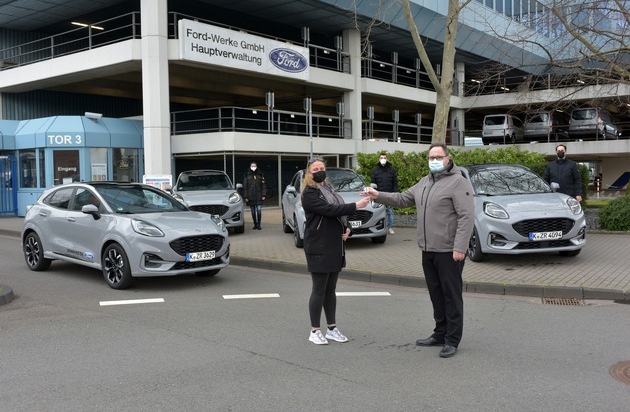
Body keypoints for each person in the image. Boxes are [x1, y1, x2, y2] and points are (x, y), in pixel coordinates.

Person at [363, 144, 474, 358]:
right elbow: (403, 198)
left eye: (438, 157)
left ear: (448, 158)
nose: (434, 160)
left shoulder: (458, 182)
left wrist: (460, 247)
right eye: (431, 157)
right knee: (436, 295)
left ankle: (452, 339)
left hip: (449, 251)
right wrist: (378, 195)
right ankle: (440, 333)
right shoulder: (425, 181)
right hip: (427, 249)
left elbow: (466, 217)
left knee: (451, 296)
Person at [302, 157, 371, 345]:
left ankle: (331, 328)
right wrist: (356, 205)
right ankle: (314, 330)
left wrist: (348, 228)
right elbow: (328, 210)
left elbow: (340, 214)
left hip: (334, 246)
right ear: (309, 173)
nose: (319, 171)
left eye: (321, 168)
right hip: (318, 246)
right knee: (319, 290)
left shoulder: (329, 189)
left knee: (330, 290)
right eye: (315, 169)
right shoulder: (309, 193)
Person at [371, 152, 398, 235]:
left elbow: (395, 183)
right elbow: (373, 183)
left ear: (387, 159)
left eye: (384, 158)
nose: (383, 159)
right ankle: (379, 227)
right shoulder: (375, 170)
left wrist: (395, 193)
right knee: (378, 212)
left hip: (390, 195)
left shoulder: (392, 170)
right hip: (378, 195)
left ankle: (390, 227)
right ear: (379, 159)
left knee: (390, 212)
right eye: (381, 158)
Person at [243, 161, 267, 230]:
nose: (253, 167)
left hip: (259, 196)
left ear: (256, 167)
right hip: (250, 197)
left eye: (254, 166)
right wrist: (246, 196)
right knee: (253, 212)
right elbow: (245, 187)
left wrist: (263, 195)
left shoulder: (260, 175)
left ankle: (259, 224)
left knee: (259, 210)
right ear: (250, 167)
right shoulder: (247, 176)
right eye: (252, 166)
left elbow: (263, 186)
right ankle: (255, 224)